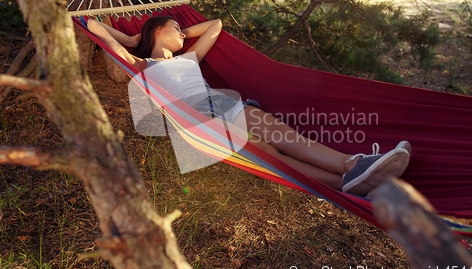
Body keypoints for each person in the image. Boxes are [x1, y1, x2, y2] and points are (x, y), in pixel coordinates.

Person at [87, 16, 411, 196]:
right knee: (278, 155)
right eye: (175, 29)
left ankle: (350, 173)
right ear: (157, 30)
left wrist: (180, 30)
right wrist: (132, 39)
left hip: (220, 109)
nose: (183, 36)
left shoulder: (189, 57)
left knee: (286, 149)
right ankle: (351, 173)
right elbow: (94, 26)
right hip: (201, 126)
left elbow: (214, 25)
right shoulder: (142, 64)